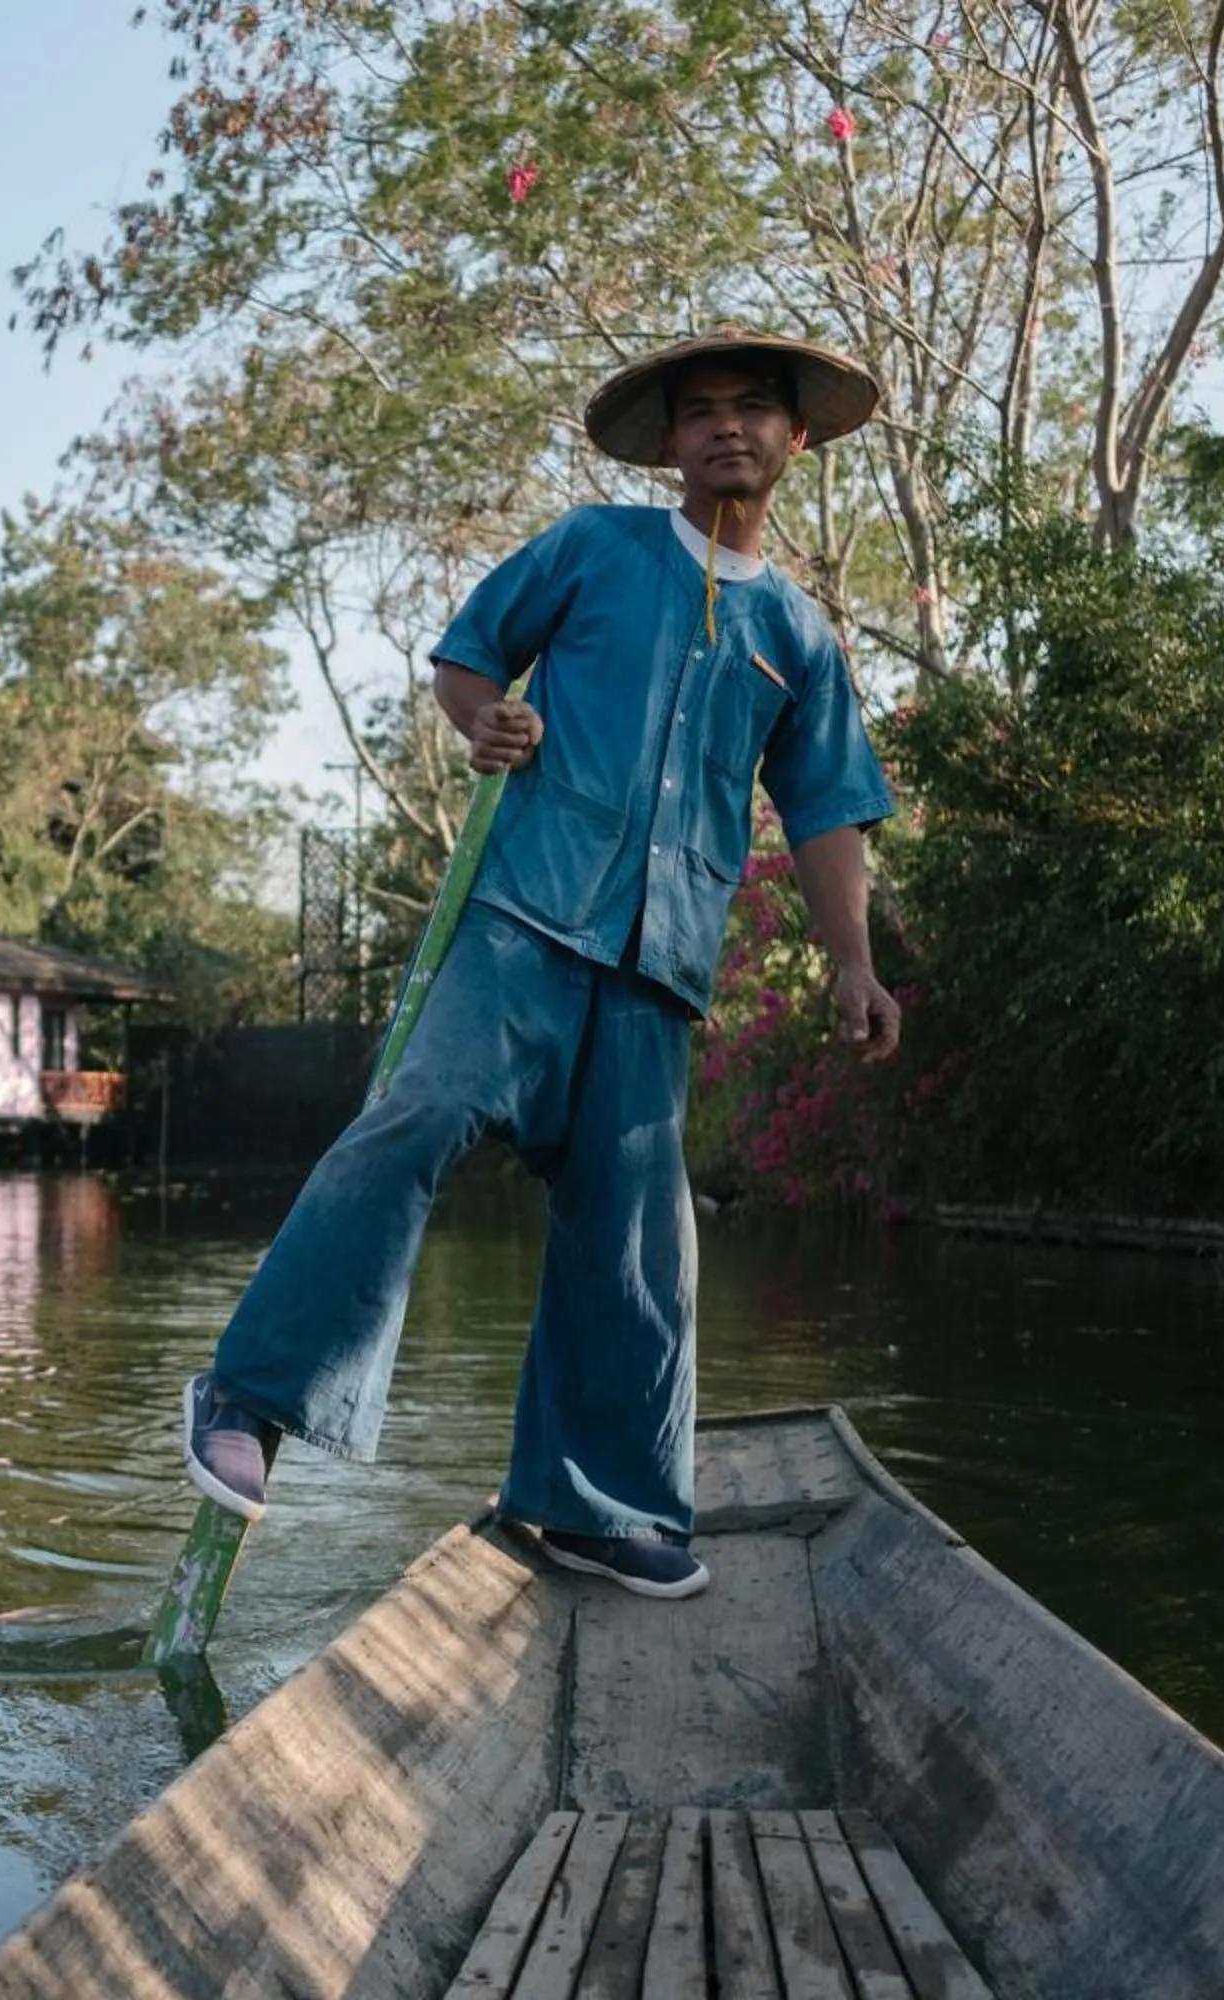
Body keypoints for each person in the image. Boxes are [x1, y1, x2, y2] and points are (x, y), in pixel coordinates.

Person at [179, 328, 902, 1600]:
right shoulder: (594, 549)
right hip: (524, 915)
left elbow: (828, 811)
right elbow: (469, 657)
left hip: (658, 965)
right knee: (419, 1115)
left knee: (639, 1241)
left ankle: (592, 1504)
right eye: (703, 413)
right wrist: (486, 719)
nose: (728, 428)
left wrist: (854, 964)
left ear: (795, 440)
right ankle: (248, 1394)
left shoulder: (799, 636)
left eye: (754, 411)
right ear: (671, 445)